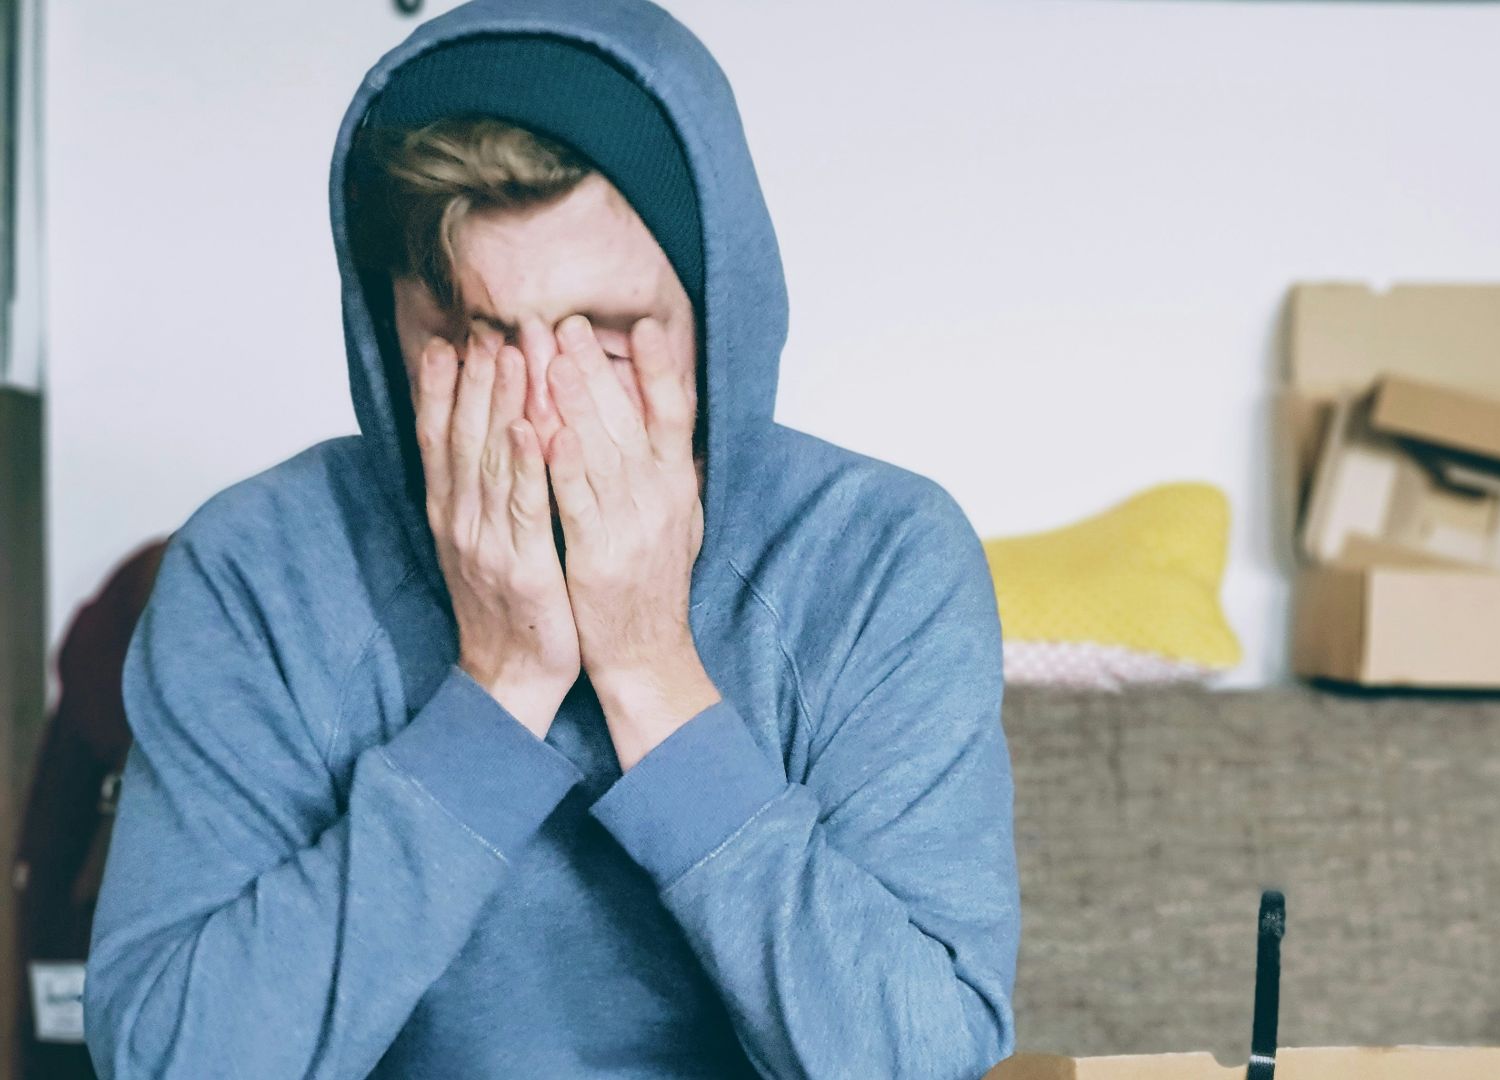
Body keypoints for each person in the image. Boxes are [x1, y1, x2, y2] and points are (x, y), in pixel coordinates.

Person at [80, 2, 1021, 1077]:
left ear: (718, 320)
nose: (538, 413)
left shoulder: (882, 559)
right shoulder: (255, 569)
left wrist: (651, 673)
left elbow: (919, 1062)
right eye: (472, 340)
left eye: (609, 339)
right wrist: (499, 689)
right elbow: (170, 1065)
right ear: (389, 341)